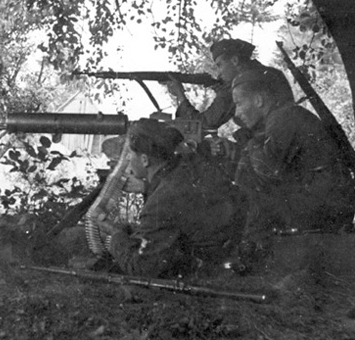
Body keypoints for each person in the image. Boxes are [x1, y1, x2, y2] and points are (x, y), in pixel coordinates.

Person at [95, 118, 247, 278]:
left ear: (145, 160)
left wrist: (116, 235)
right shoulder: (190, 166)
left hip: (213, 273)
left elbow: (142, 267)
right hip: (232, 253)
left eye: (130, 154)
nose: (128, 160)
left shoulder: (162, 200)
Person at [227, 69, 355, 246]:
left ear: (258, 100)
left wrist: (248, 144)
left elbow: (267, 170)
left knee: (247, 178)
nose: (236, 113)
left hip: (327, 205)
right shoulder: (284, 115)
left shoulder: (283, 118)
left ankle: (251, 247)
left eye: (239, 103)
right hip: (329, 201)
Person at [165, 38, 291, 129]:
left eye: (220, 65)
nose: (219, 73)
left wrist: (180, 95)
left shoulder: (239, 85)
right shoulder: (270, 72)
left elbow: (204, 123)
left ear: (235, 60)